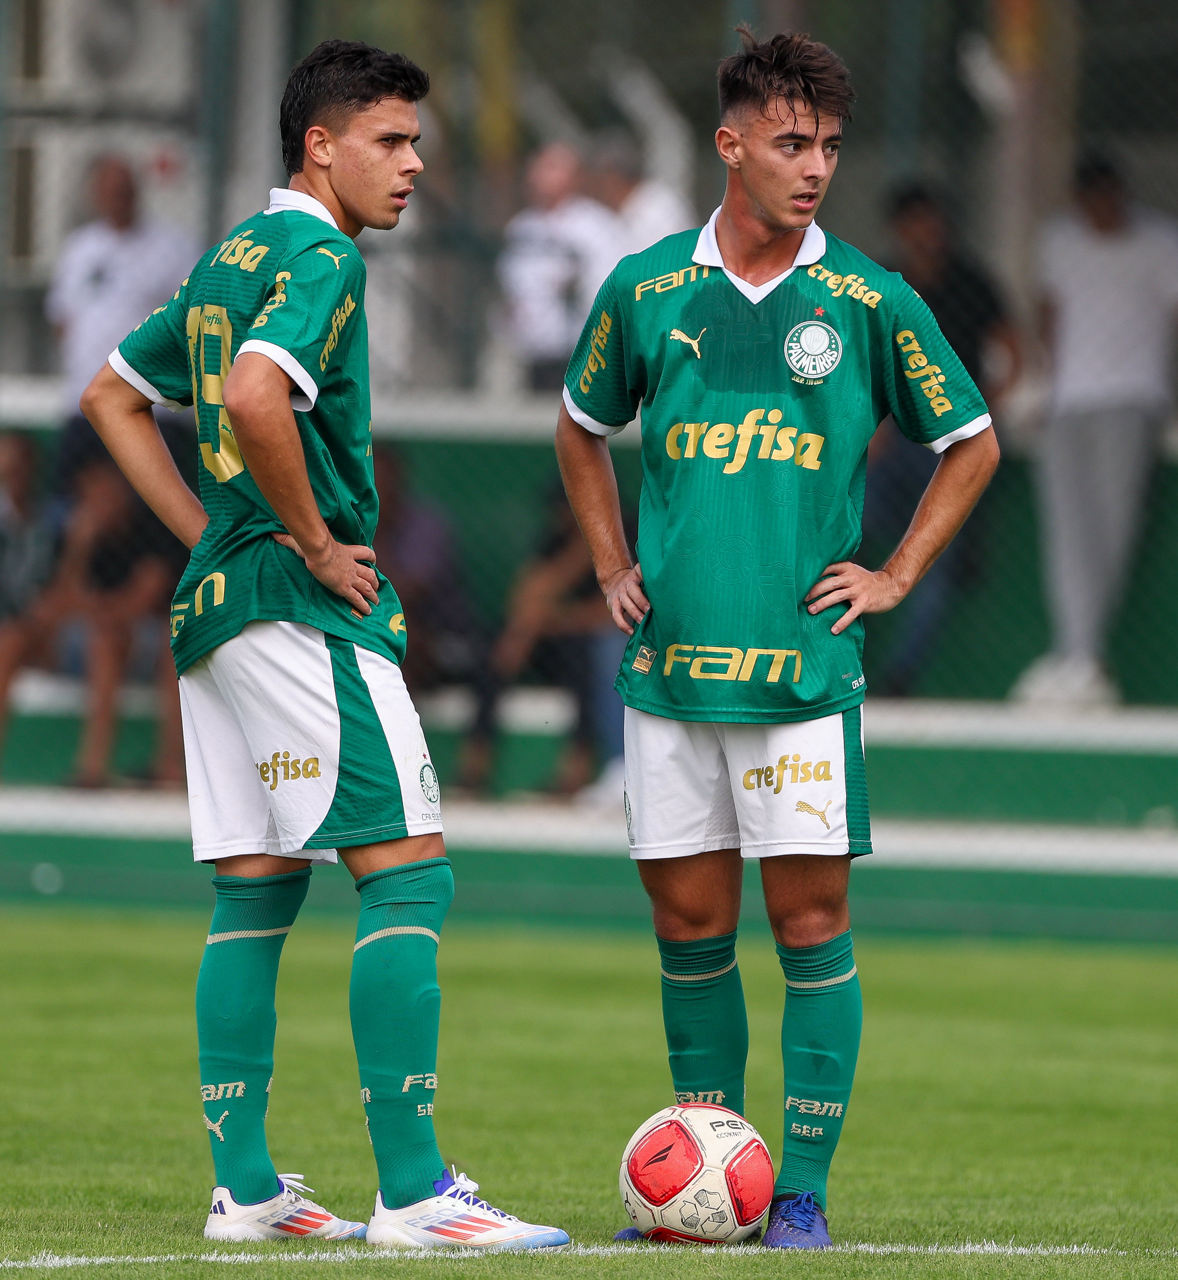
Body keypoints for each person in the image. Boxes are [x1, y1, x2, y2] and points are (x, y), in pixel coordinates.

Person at [79, 40, 567, 1251]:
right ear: (320, 145)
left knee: (255, 889)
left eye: (416, 143)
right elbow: (255, 396)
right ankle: (414, 1192)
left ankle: (246, 1189)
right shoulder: (319, 254)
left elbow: (110, 397)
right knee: (407, 872)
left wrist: (214, 533)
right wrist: (307, 539)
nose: (412, 165)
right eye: (390, 141)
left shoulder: (228, 256)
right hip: (297, 607)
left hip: (217, 608)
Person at [556, 29, 999, 1249]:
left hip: (800, 676)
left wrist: (895, 571)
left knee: (808, 928)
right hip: (670, 673)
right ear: (729, 143)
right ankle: (709, 1179)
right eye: (791, 143)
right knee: (689, 931)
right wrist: (607, 560)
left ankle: (797, 1190)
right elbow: (579, 425)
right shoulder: (644, 287)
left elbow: (970, 441)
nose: (813, 168)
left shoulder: (867, 298)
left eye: (829, 147)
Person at [1013, 156, 1178, 705]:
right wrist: (1045, 384)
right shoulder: (1059, 240)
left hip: (1133, 397)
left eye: (1110, 196)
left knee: (1112, 527)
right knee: (1067, 531)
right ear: (1080, 200)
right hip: (1069, 401)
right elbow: (1048, 313)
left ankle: (1081, 656)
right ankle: (1078, 657)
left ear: (1121, 193)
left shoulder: (1160, 242)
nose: (1102, 208)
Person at [863, 183, 1021, 694]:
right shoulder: (884, 281)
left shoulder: (970, 281)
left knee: (938, 558)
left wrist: (983, 410)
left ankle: (899, 678)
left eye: (933, 220)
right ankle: (835, 651)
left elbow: (1012, 348)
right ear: (899, 228)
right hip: (894, 436)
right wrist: (872, 426)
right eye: (916, 221)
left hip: (950, 440)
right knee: (849, 526)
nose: (927, 231)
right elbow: (864, 361)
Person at [46, 155, 199, 491]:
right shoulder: (80, 247)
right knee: (76, 499)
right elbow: (62, 317)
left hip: (153, 408)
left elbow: (193, 320)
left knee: (134, 503)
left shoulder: (172, 247)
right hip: (85, 403)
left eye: (123, 189)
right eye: (109, 189)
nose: (117, 197)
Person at [498, 142, 624, 390]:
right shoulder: (522, 227)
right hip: (533, 351)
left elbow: (609, 286)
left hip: (582, 352)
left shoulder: (595, 225)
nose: (538, 176)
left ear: (574, 176)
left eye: (551, 168)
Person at [591, 130, 696, 257]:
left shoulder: (657, 207)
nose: (596, 186)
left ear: (613, 177)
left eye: (599, 178)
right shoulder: (622, 210)